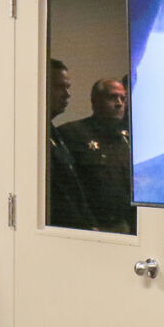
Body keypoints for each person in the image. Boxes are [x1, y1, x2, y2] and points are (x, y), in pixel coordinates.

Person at [59, 78, 135, 233]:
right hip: (87, 226)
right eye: (112, 97)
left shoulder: (127, 139)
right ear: (95, 101)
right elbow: (65, 187)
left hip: (122, 224)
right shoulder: (72, 134)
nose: (119, 103)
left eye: (123, 99)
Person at [46, 58, 95, 230]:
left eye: (68, 87)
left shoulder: (53, 133)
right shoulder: (32, 136)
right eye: (60, 87)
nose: (67, 94)